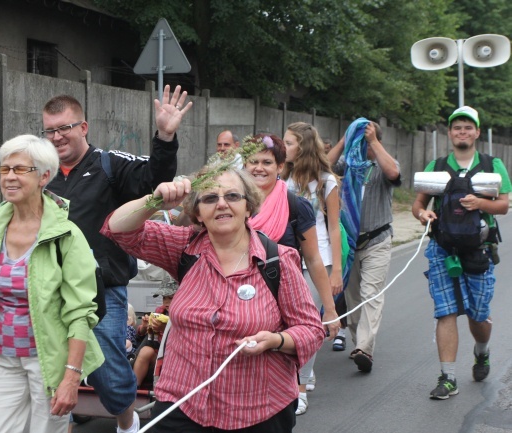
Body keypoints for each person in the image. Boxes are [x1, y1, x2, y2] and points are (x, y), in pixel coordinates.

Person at [101, 166, 325, 431]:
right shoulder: (183, 247)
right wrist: (155, 201)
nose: (221, 204)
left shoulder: (278, 259)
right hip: (182, 404)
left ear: (248, 207)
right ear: (197, 212)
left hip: (259, 411)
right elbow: (116, 229)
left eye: (232, 196)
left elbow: (311, 330)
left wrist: (275, 341)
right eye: (209, 198)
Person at [42, 85, 191, 433]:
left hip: (101, 290)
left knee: (105, 370)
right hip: (51, 289)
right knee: (50, 366)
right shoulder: (40, 173)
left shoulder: (110, 164)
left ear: (83, 127)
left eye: (65, 127)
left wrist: (165, 137)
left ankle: (127, 418)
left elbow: (155, 179)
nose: (57, 137)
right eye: (50, 130)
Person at [0, 135, 104, 432]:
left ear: (44, 176)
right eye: (5, 170)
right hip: (0, 359)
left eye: (20, 169)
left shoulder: (65, 234)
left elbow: (80, 312)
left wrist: (71, 378)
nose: (10, 177)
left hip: (49, 360)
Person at [412, 106, 511, 400]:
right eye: (457, 128)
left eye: (468, 127)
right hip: (442, 249)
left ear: (477, 132)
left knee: (478, 315)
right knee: (446, 311)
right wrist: (422, 215)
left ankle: (481, 352)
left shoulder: (493, 165)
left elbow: (504, 205)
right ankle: (448, 378)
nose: (462, 132)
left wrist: (479, 204)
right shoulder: (437, 166)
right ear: (450, 133)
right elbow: (418, 204)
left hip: (479, 250)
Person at [327, 120, 401, 373]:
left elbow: (394, 173)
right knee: (353, 297)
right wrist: (344, 141)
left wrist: (373, 141)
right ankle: (360, 342)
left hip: (377, 240)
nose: (360, 146)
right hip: (349, 244)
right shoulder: (345, 167)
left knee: (371, 294)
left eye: (363, 141)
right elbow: (321, 167)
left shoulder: (382, 164)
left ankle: (364, 349)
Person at [280, 123, 344, 412]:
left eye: (288, 142)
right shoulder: (282, 178)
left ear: (302, 146)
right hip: (286, 255)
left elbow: (334, 227)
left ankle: (301, 388)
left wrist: (337, 270)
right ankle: (300, 373)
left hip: (318, 258)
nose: (284, 147)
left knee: (306, 322)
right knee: (284, 322)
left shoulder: (326, 181)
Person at [132, 275, 176, 387]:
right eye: (164, 298)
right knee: (146, 350)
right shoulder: (160, 311)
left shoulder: (185, 315)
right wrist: (145, 326)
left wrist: (165, 329)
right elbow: (143, 335)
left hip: (175, 358)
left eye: (170, 298)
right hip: (157, 353)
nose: (166, 302)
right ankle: (133, 388)